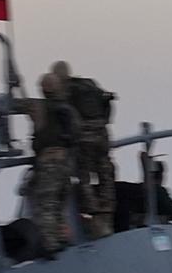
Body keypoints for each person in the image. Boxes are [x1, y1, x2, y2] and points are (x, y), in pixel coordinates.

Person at [13, 73, 79, 252]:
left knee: (46, 205)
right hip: (65, 163)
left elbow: (16, 104)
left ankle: (50, 244)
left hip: (49, 163)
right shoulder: (68, 110)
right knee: (59, 205)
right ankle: (62, 237)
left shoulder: (38, 107)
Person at [52, 61, 117, 239]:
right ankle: (108, 206)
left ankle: (92, 209)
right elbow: (106, 103)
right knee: (105, 170)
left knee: (84, 175)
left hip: (83, 137)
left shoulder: (66, 91)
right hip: (102, 133)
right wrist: (102, 124)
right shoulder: (88, 84)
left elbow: (63, 116)